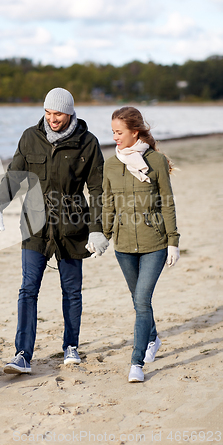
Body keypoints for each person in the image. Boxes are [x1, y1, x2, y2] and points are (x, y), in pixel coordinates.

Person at [0, 87, 109, 374]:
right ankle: (22, 355)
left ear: (69, 112)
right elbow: (14, 177)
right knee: (28, 289)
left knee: (72, 291)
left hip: (72, 227)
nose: (52, 119)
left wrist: (97, 229)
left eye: (58, 113)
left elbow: (98, 189)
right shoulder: (30, 137)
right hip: (35, 226)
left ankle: (71, 346)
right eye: (48, 113)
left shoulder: (88, 142)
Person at [102, 106, 180, 383]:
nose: (115, 137)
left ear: (135, 132)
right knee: (139, 302)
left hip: (155, 244)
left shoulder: (156, 160)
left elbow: (167, 202)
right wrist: (103, 235)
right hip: (123, 246)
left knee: (142, 300)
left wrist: (173, 242)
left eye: (119, 132)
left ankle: (136, 362)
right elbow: (108, 204)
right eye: (113, 132)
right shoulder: (111, 164)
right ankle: (153, 338)